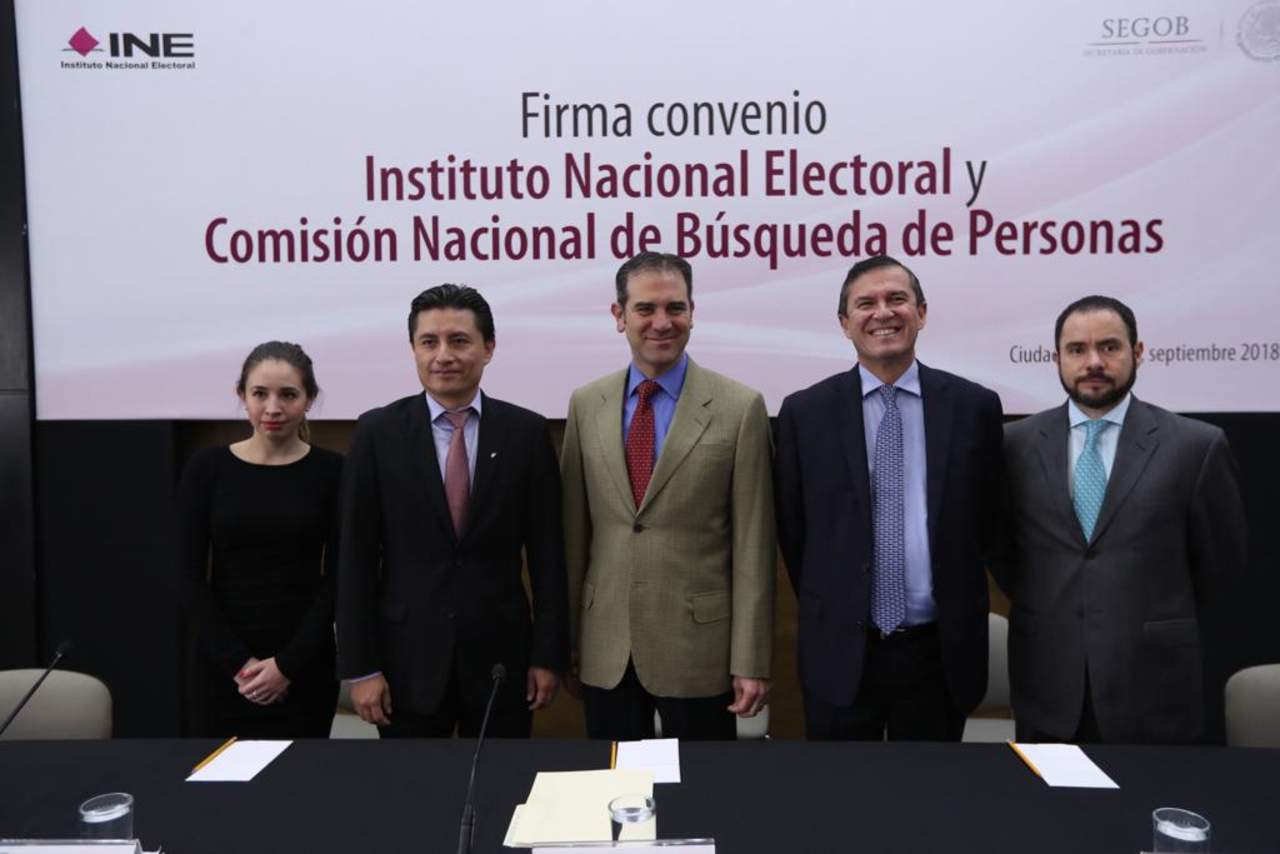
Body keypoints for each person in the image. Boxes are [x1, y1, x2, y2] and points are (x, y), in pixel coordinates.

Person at [997, 295, 1247, 743]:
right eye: (1077, 349)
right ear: (1056, 358)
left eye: (1109, 347)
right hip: (1048, 682)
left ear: (1138, 352)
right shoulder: (1012, 446)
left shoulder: (1195, 447)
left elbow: (1220, 569)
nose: (1093, 362)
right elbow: (1003, 554)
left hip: (1155, 688)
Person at [774, 255, 1004, 741]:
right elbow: (795, 533)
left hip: (939, 653)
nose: (883, 313)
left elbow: (990, 522)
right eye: (866, 303)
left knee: (929, 786)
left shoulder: (974, 408)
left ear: (921, 313)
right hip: (841, 650)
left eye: (897, 299)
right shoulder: (805, 414)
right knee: (841, 786)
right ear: (845, 323)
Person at [561, 251, 775, 741]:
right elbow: (574, 536)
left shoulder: (740, 408)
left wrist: (751, 659)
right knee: (614, 783)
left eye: (675, 308)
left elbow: (754, 546)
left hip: (699, 649)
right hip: (605, 647)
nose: (662, 322)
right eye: (645, 308)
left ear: (692, 313)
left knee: (703, 785)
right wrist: (567, 641)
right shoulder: (586, 404)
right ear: (619, 316)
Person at [336, 284, 567, 738]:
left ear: (488, 348)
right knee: (414, 782)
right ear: (413, 350)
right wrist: (361, 667)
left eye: (459, 341)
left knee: (502, 778)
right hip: (406, 664)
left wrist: (548, 655)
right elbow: (355, 559)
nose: (443, 355)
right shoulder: (377, 433)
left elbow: (549, 557)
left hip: (503, 663)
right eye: (429, 342)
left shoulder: (525, 433)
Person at [178, 341, 341, 738]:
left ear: (309, 399)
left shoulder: (334, 471)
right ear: (241, 395)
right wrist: (239, 664)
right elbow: (187, 575)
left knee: (302, 774)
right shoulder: (207, 468)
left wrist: (287, 666)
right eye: (260, 394)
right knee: (218, 776)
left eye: (288, 395)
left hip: (305, 667)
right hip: (221, 668)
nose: (273, 407)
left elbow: (340, 578)